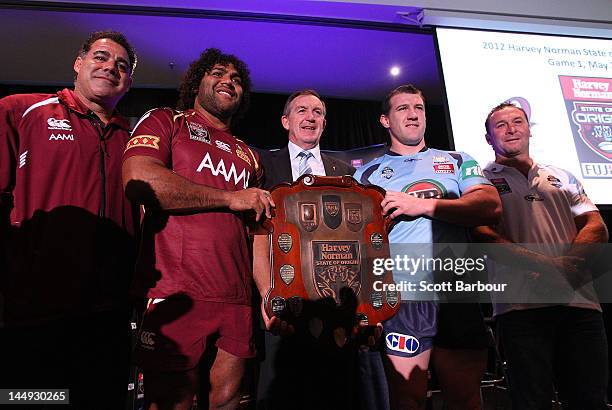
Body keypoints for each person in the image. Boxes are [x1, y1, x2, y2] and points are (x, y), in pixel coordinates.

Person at [123, 48, 274, 410]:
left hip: (236, 299)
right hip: (176, 292)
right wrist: (229, 198)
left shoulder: (249, 155)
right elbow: (139, 179)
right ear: (196, 82)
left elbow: (259, 234)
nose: (228, 81)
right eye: (218, 73)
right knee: (172, 401)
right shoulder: (167, 121)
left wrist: (267, 291)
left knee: (227, 401)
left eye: (236, 79)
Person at [0, 31, 137, 408]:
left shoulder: (135, 139)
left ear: (128, 82)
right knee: (33, 400)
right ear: (78, 64)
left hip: (108, 317)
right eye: (100, 57)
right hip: (35, 312)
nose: (111, 66)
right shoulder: (23, 110)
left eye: (121, 66)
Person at [353, 84, 501, 410]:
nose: (413, 114)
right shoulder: (366, 173)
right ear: (385, 120)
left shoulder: (456, 159)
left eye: (419, 108)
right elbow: (359, 247)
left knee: (464, 399)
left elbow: (489, 205)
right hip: (403, 299)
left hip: (455, 293)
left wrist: (421, 206)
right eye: (403, 108)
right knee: (407, 399)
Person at [473, 102, 609, 409]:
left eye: (518, 122)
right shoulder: (479, 181)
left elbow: (596, 225)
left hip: (579, 303)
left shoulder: (562, 175)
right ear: (488, 138)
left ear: (528, 129)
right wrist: (546, 266)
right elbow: (482, 235)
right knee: (531, 402)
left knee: (589, 400)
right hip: (521, 309)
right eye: (501, 125)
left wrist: (567, 265)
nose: (511, 129)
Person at [252, 89, 355, 409]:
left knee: (337, 395)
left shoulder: (345, 173)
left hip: (336, 303)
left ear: (324, 123)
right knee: (279, 395)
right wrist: (267, 295)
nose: (310, 117)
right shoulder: (263, 165)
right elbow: (255, 233)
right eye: (301, 111)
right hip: (282, 301)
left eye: (318, 112)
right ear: (285, 121)